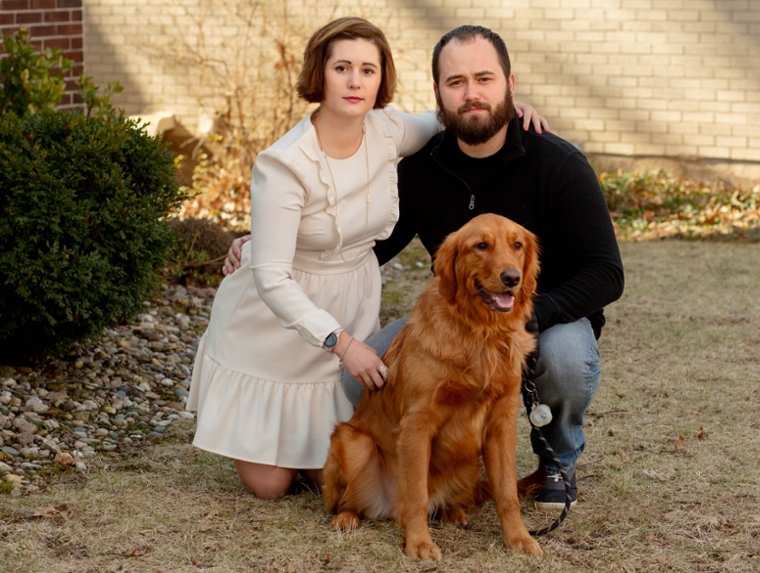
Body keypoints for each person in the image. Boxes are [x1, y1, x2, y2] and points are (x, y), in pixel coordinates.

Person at [226, 24, 623, 510]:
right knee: (364, 374)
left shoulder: (558, 163)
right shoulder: (422, 165)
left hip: (545, 316)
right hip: (458, 320)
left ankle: (557, 459)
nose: (472, 94)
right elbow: (370, 243)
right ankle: (416, 468)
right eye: (457, 83)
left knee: (562, 357)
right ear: (438, 93)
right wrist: (272, 244)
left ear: (510, 85)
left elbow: (607, 272)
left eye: (485, 79)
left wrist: (537, 312)